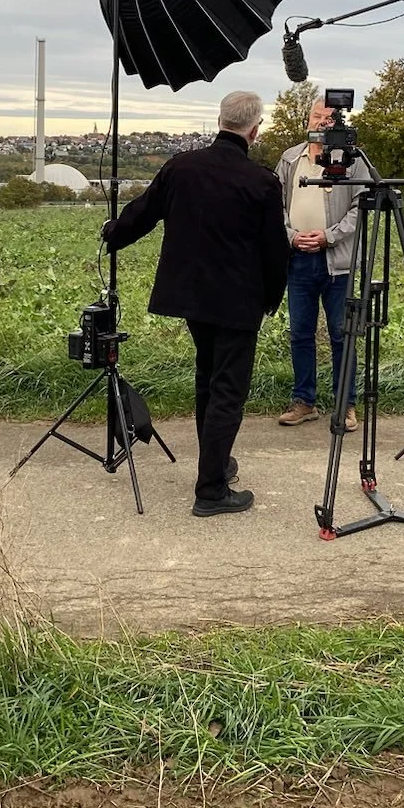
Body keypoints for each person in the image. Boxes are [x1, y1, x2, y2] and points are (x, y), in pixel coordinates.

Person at [103, 90, 289, 517]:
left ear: (220, 120)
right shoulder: (261, 181)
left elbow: (143, 214)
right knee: (228, 390)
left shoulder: (181, 167)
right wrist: (272, 298)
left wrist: (113, 233)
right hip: (238, 302)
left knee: (208, 379)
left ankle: (217, 464)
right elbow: (274, 249)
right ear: (254, 130)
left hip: (192, 299)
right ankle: (211, 490)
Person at [274, 98, 370, 432]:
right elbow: (273, 204)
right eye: (317, 116)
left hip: (337, 263)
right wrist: (291, 237)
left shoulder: (353, 160)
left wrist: (329, 236)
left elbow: (362, 206)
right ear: (308, 120)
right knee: (301, 333)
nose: (322, 122)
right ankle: (304, 401)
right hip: (298, 260)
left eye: (329, 118)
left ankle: (346, 404)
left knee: (342, 334)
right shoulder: (290, 158)